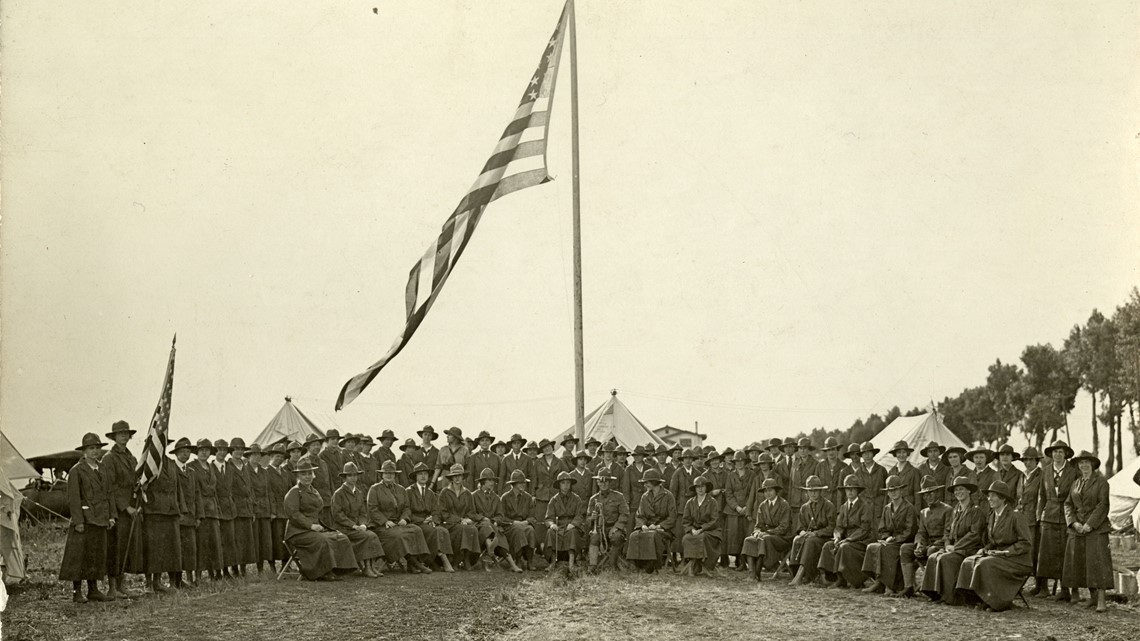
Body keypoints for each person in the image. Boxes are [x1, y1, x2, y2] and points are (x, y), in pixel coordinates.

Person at [955, 480, 1032, 612]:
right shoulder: (991, 517)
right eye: (988, 496)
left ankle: (995, 602)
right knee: (969, 561)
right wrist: (985, 549)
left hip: (1017, 560)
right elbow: (993, 541)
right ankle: (974, 598)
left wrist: (1006, 552)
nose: (989, 499)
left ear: (1002, 498)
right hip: (998, 556)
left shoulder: (1016, 516)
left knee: (985, 564)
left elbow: (1025, 543)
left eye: (993, 496)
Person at [59, 433, 115, 603]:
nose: (95, 451)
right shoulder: (76, 471)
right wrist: (78, 522)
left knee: (96, 556)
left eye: (97, 448)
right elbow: (74, 498)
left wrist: (112, 516)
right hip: (85, 520)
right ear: (84, 451)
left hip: (101, 519)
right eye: (91, 448)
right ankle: (77, 592)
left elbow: (109, 494)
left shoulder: (103, 469)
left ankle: (93, 590)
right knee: (79, 557)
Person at [282, 457, 356, 581]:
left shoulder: (314, 491)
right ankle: (322, 572)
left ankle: (339, 569)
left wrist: (322, 527)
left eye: (309, 473)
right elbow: (294, 514)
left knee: (340, 537)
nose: (307, 476)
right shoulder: (294, 492)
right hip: (297, 532)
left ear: (313, 475)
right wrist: (311, 526)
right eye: (303, 474)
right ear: (298, 476)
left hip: (313, 529)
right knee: (322, 540)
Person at [921, 475, 985, 605]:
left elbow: (974, 534)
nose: (958, 493)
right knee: (934, 556)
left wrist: (956, 547)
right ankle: (935, 594)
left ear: (969, 491)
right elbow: (948, 531)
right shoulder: (956, 510)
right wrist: (947, 544)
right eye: (956, 490)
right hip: (955, 548)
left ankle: (951, 597)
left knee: (945, 558)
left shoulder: (975, 511)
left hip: (969, 549)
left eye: (961, 489)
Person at [1062, 451, 1113, 613]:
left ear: (1092, 465)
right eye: (1081, 463)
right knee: (1079, 561)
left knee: (1098, 562)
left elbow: (1103, 505)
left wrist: (1090, 524)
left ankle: (1101, 600)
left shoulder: (1102, 482)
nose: (1084, 465)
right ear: (1078, 465)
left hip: (1096, 528)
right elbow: (1068, 504)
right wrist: (1074, 523)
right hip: (1077, 528)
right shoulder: (1075, 483)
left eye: (1087, 463)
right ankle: (1091, 597)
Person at [366, 460, 432, 574]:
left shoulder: (401, 489)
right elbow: (372, 509)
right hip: (381, 526)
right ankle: (414, 563)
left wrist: (404, 518)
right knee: (398, 535)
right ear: (382, 474)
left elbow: (407, 507)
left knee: (417, 530)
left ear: (395, 475)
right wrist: (385, 521)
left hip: (398, 523)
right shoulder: (374, 489)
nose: (389, 475)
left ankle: (416, 562)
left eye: (392, 473)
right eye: (386, 473)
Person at [140, 435, 184, 594]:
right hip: (154, 510)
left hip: (171, 510)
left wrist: (181, 509)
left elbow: (177, 488)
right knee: (154, 548)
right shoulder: (148, 463)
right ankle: (152, 583)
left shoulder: (171, 464)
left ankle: (168, 582)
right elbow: (140, 486)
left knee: (171, 548)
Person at [103, 420, 141, 598]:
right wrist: (125, 507)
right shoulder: (109, 458)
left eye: (126, 433)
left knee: (125, 546)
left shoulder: (131, 458)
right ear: (114, 437)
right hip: (117, 509)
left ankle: (122, 585)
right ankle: (112, 588)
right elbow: (111, 487)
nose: (124, 436)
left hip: (131, 507)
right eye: (120, 434)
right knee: (115, 547)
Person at [861, 475, 916, 596]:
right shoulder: (887, 508)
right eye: (890, 490)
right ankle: (878, 581)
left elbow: (910, 531)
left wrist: (895, 539)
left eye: (896, 489)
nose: (893, 493)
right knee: (872, 547)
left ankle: (889, 586)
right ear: (888, 493)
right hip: (890, 540)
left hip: (904, 542)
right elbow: (882, 528)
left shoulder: (909, 508)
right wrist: (886, 538)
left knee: (887, 549)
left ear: (901, 491)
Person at [1038, 439, 1078, 601]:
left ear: (1066, 454)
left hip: (1066, 516)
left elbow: (1076, 495)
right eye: (1055, 451)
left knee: (1065, 553)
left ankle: (1065, 589)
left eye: (1061, 451)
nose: (1058, 454)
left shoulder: (1073, 471)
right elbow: (1042, 495)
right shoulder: (1046, 471)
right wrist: (1039, 515)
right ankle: (1044, 588)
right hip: (1048, 516)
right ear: (1051, 454)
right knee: (1046, 552)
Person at [330, 461, 385, 578]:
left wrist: (363, 524)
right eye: (350, 475)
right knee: (368, 536)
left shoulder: (359, 493)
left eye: (355, 475)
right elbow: (337, 515)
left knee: (371, 534)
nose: (353, 478)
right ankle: (366, 568)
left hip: (357, 527)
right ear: (344, 477)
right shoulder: (338, 493)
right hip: (343, 528)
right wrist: (353, 525)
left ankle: (370, 566)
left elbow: (363, 512)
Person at [819, 474, 874, 589]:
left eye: (853, 489)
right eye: (847, 489)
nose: (850, 492)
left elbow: (864, 529)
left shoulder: (865, 506)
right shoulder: (844, 507)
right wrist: (837, 537)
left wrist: (848, 539)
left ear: (858, 491)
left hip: (861, 541)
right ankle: (831, 578)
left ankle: (848, 579)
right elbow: (838, 527)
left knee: (845, 547)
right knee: (828, 546)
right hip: (845, 539)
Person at [898, 475, 949, 598]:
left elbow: (948, 534)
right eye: (925, 494)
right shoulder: (923, 512)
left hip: (940, 545)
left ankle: (932, 590)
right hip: (927, 544)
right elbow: (921, 532)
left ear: (937, 492)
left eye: (931, 493)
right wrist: (919, 545)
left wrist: (932, 545)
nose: (928, 497)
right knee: (905, 548)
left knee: (931, 551)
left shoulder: (947, 510)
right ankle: (908, 586)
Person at [406, 462, 455, 572]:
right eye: (420, 474)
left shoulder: (430, 493)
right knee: (433, 531)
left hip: (429, 522)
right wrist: (422, 520)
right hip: (415, 522)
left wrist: (434, 520)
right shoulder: (408, 492)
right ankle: (440, 560)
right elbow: (407, 511)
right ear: (415, 477)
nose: (423, 476)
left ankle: (438, 560)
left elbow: (436, 511)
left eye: (425, 474)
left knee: (443, 530)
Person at [472, 467, 523, 572]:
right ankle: (491, 548)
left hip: (493, 525)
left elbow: (500, 515)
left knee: (499, 534)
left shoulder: (496, 497)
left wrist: (495, 521)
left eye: (494, 481)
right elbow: (471, 513)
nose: (492, 483)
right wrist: (482, 518)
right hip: (479, 526)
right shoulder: (474, 495)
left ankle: (512, 565)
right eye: (489, 480)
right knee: (487, 528)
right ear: (483, 482)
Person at [626, 468, 675, 573]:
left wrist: (658, 526)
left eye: (647, 482)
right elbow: (640, 515)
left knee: (653, 536)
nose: (645, 485)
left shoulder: (668, 496)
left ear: (654, 482)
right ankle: (637, 564)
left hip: (664, 530)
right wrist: (642, 525)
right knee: (634, 535)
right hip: (648, 527)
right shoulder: (645, 496)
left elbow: (672, 517)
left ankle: (652, 564)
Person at [789, 475, 834, 586]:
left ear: (820, 491)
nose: (813, 494)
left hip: (823, 538)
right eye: (810, 491)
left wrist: (815, 533)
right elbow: (800, 527)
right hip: (809, 537)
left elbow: (831, 528)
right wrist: (803, 533)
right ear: (806, 493)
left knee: (811, 541)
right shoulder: (804, 507)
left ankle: (800, 575)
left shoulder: (828, 505)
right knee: (797, 539)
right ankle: (796, 573)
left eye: (816, 491)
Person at [741, 477, 790, 581]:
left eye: (770, 490)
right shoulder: (762, 505)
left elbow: (784, 527)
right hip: (765, 535)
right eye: (765, 491)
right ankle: (752, 573)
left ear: (776, 491)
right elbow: (758, 525)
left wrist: (767, 532)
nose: (768, 493)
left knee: (764, 539)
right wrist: (757, 532)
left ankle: (758, 572)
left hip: (782, 538)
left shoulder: (784, 505)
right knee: (749, 540)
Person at [191, 439, 224, 581]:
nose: (204, 453)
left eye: (207, 450)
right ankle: (198, 575)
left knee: (214, 542)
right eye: (201, 450)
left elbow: (215, 490)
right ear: (197, 452)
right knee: (201, 543)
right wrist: (197, 513)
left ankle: (214, 573)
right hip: (201, 509)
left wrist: (217, 509)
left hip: (213, 509)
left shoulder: (211, 467)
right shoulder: (191, 467)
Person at [170, 438, 200, 588]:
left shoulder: (192, 472)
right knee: (177, 549)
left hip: (191, 516)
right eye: (182, 452)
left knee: (190, 548)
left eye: (188, 452)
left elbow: (196, 494)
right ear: (176, 453)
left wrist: (198, 515)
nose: (185, 455)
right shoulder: (172, 469)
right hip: (178, 515)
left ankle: (188, 578)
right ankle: (176, 580)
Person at [439, 463, 481, 569]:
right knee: (461, 529)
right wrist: (459, 519)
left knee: (473, 529)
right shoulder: (445, 492)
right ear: (451, 477)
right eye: (455, 475)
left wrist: (468, 519)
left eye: (459, 475)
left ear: (463, 477)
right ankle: (456, 560)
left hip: (464, 523)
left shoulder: (467, 493)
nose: (457, 478)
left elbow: (471, 511)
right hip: (449, 523)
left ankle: (467, 558)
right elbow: (443, 513)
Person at [586, 471, 629, 571]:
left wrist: (616, 527)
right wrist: (592, 518)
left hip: (614, 527)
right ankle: (592, 565)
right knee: (594, 537)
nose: (604, 484)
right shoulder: (593, 499)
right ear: (598, 483)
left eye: (606, 481)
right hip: (599, 528)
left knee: (617, 537)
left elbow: (625, 514)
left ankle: (611, 564)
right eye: (601, 481)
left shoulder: (619, 496)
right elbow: (587, 519)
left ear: (610, 483)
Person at [680, 475, 722, 577]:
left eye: (702, 486)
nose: (700, 489)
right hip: (694, 530)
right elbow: (686, 520)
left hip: (711, 531)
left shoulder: (712, 502)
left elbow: (714, 520)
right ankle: (692, 564)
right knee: (686, 538)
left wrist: (702, 529)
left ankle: (703, 566)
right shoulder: (690, 502)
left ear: (706, 488)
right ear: (695, 489)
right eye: (697, 487)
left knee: (702, 538)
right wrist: (691, 530)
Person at [226, 437, 256, 577]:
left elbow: (250, 488)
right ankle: (235, 568)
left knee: (246, 540)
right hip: (235, 508)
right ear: (231, 451)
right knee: (235, 540)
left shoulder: (245, 466)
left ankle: (243, 567)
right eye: (236, 449)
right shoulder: (228, 466)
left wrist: (252, 507)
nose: (238, 452)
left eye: (241, 449)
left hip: (246, 508)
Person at [544, 471, 585, 571]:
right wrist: (552, 524)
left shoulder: (576, 499)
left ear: (571, 485)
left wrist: (573, 524)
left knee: (572, 533)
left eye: (568, 483)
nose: (566, 486)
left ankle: (571, 562)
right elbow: (549, 517)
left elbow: (580, 515)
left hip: (571, 525)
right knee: (551, 532)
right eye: (563, 483)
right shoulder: (554, 500)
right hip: (559, 525)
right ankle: (553, 562)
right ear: (559, 485)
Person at [500, 469, 539, 570]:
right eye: (520, 483)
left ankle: (530, 561)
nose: (523, 485)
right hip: (509, 526)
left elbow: (532, 516)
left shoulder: (528, 497)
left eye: (524, 482)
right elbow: (501, 516)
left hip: (524, 524)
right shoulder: (505, 497)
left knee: (530, 530)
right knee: (518, 531)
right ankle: (517, 560)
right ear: (513, 484)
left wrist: (525, 522)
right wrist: (513, 522)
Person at [1019, 446, 1045, 594]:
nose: (1027, 463)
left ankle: (1040, 584)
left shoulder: (1041, 475)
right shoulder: (1022, 476)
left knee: (1035, 551)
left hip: (1034, 519)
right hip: (1022, 519)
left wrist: (1038, 517)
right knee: (1024, 551)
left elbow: (1041, 497)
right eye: (1025, 460)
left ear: (1036, 461)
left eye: (1030, 460)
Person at [245, 444, 275, 574]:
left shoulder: (264, 471)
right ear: (249, 456)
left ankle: (272, 566)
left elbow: (270, 491)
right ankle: (260, 568)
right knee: (256, 539)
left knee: (267, 539)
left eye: (258, 455)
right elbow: (249, 491)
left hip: (266, 509)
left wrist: (272, 510)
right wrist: (252, 509)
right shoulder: (245, 471)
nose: (256, 457)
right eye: (254, 454)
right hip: (254, 510)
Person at [723, 451, 754, 571]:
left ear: (745, 462)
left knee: (746, 535)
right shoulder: (731, 476)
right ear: (734, 463)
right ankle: (738, 561)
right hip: (733, 510)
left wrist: (747, 507)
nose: (740, 464)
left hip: (747, 509)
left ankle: (746, 561)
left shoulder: (752, 475)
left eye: (742, 461)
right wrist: (736, 507)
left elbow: (753, 492)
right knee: (734, 536)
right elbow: (728, 493)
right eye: (737, 462)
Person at [212, 439, 238, 578]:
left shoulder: (230, 468)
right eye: (219, 450)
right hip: (217, 507)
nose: (221, 452)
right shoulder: (210, 467)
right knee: (219, 540)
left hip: (229, 507)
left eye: (224, 450)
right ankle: (219, 570)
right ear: (214, 452)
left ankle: (233, 569)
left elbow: (234, 488)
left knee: (230, 540)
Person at [266, 444, 293, 570]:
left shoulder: (285, 472)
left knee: (286, 538)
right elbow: (268, 492)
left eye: (281, 457)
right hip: (275, 511)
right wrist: (272, 511)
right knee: (274, 539)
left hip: (285, 511)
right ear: (271, 457)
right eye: (277, 456)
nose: (279, 459)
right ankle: (272, 567)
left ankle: (285, 565)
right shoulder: (266, 472)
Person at [854, 442, 888, 521]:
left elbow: (887, 491)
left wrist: (884, 506)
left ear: (873, 454)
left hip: (879, 508)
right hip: (864, 508)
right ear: (861, 455)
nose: (867, 455)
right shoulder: (857, 472)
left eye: (869, 452)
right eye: (864, 453)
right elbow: (856, 493)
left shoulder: (882, 470)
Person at [886, 441, 920, 506]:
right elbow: (888, 493)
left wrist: (916, 512)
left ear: (907, 453)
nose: (901, 455)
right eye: (899, 452)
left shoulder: (914, 471)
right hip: (895, 506)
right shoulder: (891, 471)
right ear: (895, 454)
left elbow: (917, 493)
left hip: (909, 506)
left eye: (904, 452)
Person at [965, 447, 996, 517]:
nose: (979, 460)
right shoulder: (970, 475)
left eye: (981, 457)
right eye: (976, 457)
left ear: (986, 459)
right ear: (973, 459)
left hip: (987, 510)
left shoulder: (993, 474)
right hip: (972, 511)